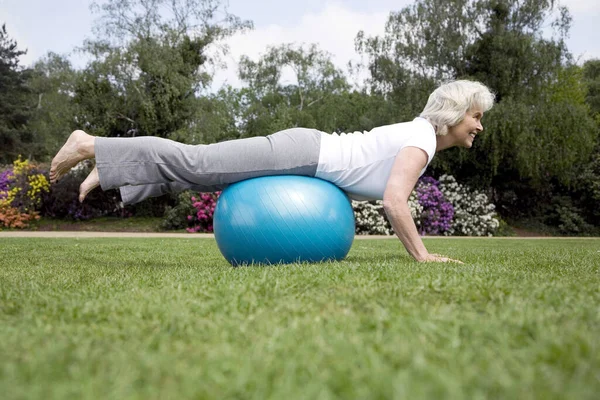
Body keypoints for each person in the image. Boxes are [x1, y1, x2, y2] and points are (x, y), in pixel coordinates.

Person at [50, 80, 495, 263]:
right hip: (304, 154)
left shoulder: (419, 136)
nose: (478, 126)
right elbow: (394, 201)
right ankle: (91, 144)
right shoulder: (419, 141)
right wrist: (422, 255)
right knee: (199, 161)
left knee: (205, 176)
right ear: (455, 115)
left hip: (308, 157)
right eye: (476, 116)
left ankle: (108, 169)